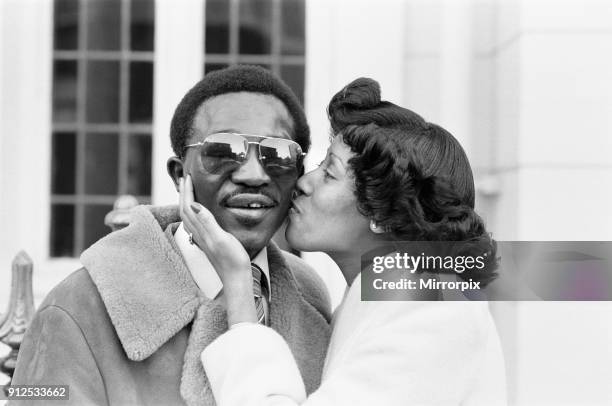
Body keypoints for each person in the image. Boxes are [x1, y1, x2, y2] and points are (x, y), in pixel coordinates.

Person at [11, 66, 332, 406]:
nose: (254, 175)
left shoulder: (310, 298)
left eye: (277, 155)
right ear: (180, 176)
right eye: (223, 151)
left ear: (298, 175)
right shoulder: (77, 305)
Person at [182, 78, 507, 405]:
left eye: (329, 173)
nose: (304, 182)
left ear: (383, 211)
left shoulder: (432, 311)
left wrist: (239, 285)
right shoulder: (377, 301)